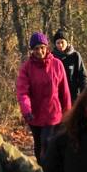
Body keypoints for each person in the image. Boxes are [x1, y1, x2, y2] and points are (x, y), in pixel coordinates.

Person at [15, 31, 72, 163]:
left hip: (53, 114)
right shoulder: (26, 68)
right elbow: (23, 92)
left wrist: (68, 113)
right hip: (35, 115)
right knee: (39, 146)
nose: (39, 51)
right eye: (36, 48)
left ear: (47, 48)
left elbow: (65, 91)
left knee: (48, 144)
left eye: (42, 48)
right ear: (32, 50)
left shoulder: (57, 65)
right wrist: (26, 110)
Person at [53, 30, 87, 100]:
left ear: (67, 42)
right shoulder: (52, 57)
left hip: (73, 96)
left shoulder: (75, 56)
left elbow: (82, 76)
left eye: (62, 42)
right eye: (58, 43)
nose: (60, 45)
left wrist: (84, 94)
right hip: (56, 97)